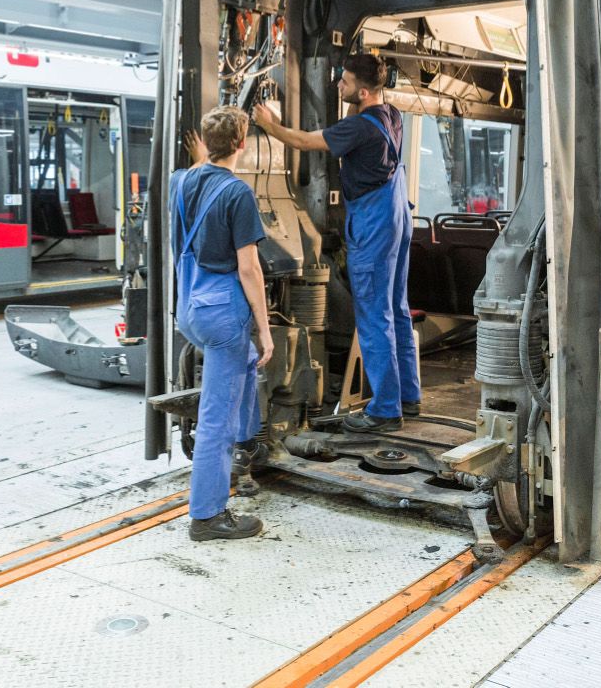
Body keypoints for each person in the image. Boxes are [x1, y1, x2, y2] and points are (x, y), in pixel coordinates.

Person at [253, 53, 420, 433]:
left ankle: (384, 410)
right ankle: (408, 397)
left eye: (343, 83)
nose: (338, 87)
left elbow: (305, 141)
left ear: (362, 91)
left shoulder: (358, 127)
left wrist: (270, 125)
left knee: (374, 316)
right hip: (397, 215)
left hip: (374, 223)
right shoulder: (390, 115)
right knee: (397, 309)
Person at [171, 106, 273, 542]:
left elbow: (198, 172)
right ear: (243, 145)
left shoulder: (182, 181)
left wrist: (202, 156)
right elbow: (249, 269)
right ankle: (208, 516)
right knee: (217, 418)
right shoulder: (238, 194)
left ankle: (248, 441)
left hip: (189, 307)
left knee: (244, 363)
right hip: (222, 311)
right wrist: (265, 328)